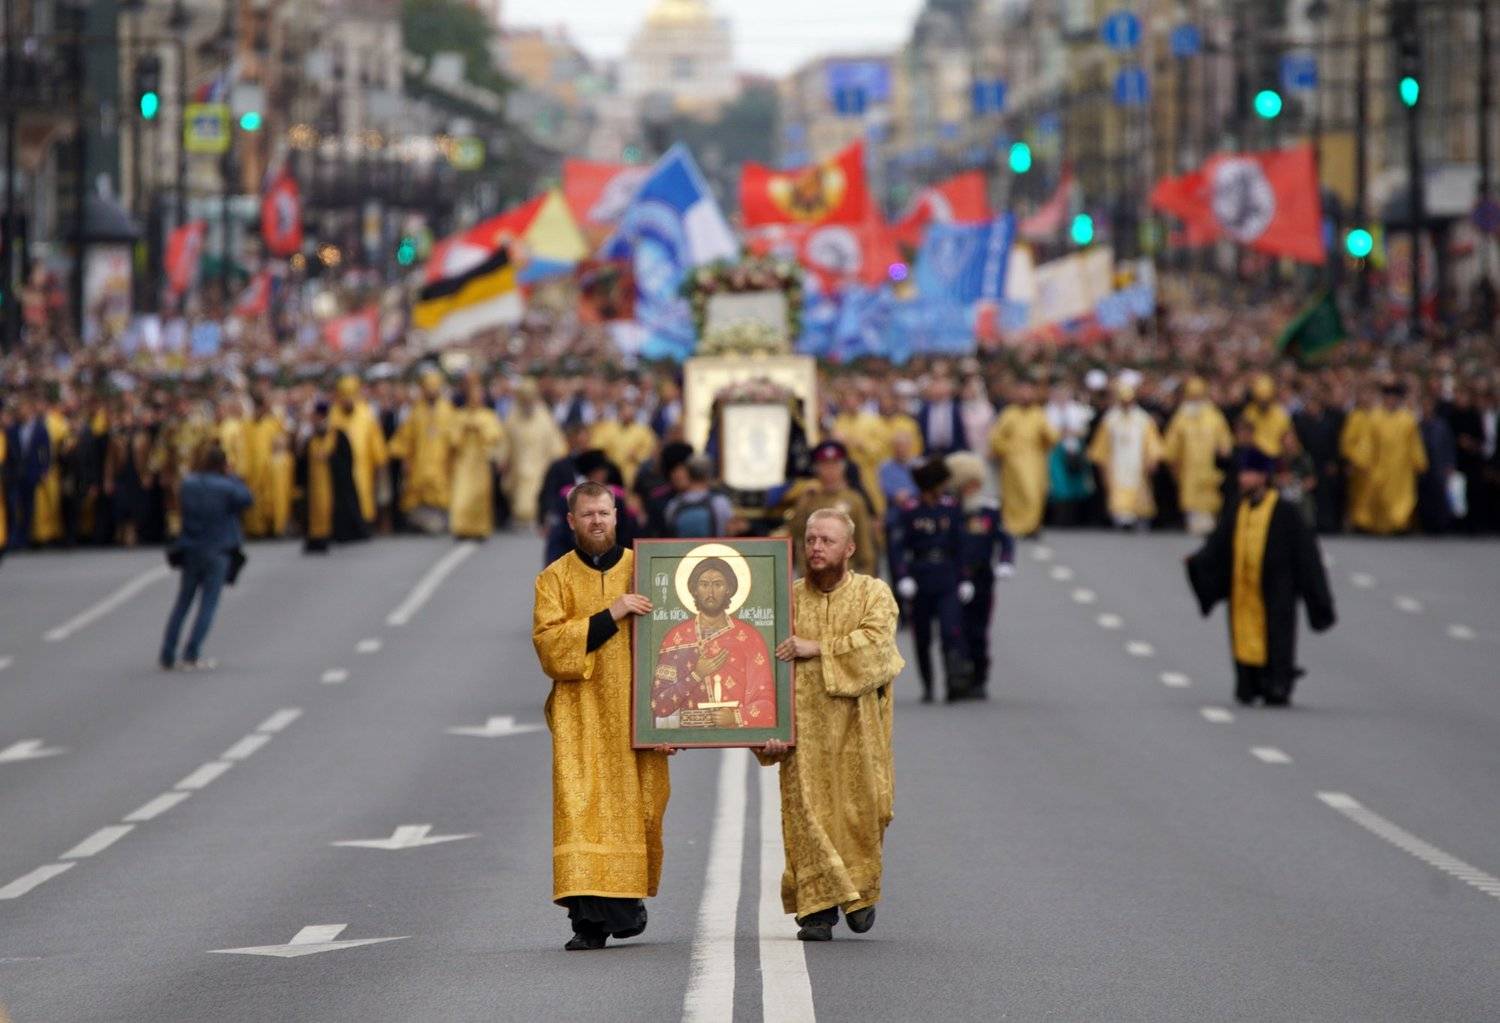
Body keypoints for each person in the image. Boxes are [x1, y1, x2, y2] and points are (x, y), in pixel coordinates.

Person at [532, 481, 672, 951]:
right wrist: (611, 614)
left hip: (638, 715)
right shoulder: (553, 578)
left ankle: (627, 906)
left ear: (617, 516)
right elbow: (550, 649)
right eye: (587, 514)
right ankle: (587, 923)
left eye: (604, 513)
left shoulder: (645, 570)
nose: (597, 521)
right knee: (581, 812)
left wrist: (675, 717)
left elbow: (677, 641)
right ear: (572, 521)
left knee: (641, 810)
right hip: (582, 717)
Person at [758, 507, 905, 942]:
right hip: (803, 739)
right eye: (811, 540)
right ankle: (816, 911)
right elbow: (759, 669)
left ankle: (859, 894)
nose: (817, 548)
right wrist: (763, 734)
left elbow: (878, 652)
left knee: (863, 814)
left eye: (827, 540)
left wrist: (816, 647)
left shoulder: (873, 594)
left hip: (860, 736)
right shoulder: (785, 599)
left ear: (850, 548)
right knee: (806, 816)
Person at [1187, 447, 1336, 707]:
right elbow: (1219, 545)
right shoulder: (1238, 507)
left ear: (1263, 477)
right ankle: (1249, 683)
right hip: (1243, 590)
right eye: (1242, 473)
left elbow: (1306, 555)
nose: (1243, 479)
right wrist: (1198, 561)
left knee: (1277, 637)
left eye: (1249, 474)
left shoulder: (1285, 511)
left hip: (1277, 589)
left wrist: (1317, 597)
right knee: (1243, 637)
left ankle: (1278, 683)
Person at [649, 555, 776, 728]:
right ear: (694, 589)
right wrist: (696, 675)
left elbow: (768, 705)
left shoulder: (749, 638)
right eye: (704, 584)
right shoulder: (676, 638)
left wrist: (735, 717)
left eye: (718, 584)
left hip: (737, 737)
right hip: (688, 737)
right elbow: (659, 705)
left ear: (729, 589)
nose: (710, 593)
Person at [889, 457, 974, 702]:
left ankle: (953, 682)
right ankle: (928, 685)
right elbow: (897, 547)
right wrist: (903, 577)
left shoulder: (951, 507)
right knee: (923, 636)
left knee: (950, 631)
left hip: (947, 575)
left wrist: (965, 578)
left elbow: (961, 545)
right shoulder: (909, 510)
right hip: (920, 576)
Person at [160, 444, 252, 670]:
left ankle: (167, 653)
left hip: (191, 548)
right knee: (207, 605)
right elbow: (247, 499)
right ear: (223, 465)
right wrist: (232, 477)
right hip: (217, 549)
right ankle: (191, 653)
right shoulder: (226, 487)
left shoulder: (188, 484)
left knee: (183, 603)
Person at [946, 451, 1012, 694]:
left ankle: (980, 677)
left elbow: (1005, 539)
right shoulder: (950, 511)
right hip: (954, 578)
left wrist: (1005, 561)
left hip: (982, 577)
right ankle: (959, 676)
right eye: (967, 484)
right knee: (955, 629)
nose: (973, 488)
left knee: (978, 630)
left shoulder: (989, 510)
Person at [785, 441, 877, 578]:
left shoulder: (854, 500)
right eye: (824, 465)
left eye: (834, 465)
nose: (829, 470)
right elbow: (795, 533)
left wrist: (865, 580)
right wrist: (803, 501)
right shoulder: (810, 498)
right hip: (812, 577)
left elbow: (865, 547)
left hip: (845, 578)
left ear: (843, 468)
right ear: (817, 468)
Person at [1346, 382, 1428, 535]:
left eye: (1394, 398)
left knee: (1402, 498)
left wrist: (1419, 462)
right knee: (1378, 495)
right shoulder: (1374, 418)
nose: (1391, 400)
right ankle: (1379, 526)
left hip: (1401, 468)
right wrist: (1361, 460)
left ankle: (1400, 525)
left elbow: (1414, 443)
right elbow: (1367, 443)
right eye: (1388, 397)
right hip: (1379, 465)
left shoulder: (1407, 419)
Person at [986, 381, 1059, 538]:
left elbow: (1052, 437)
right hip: (1013, 463)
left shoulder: (1038, 414)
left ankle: (1031, 525)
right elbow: (996, 438)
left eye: (1028, 392)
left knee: (1034, 494)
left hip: (1035, 461)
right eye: (1022, 392)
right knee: (1014, 496)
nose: (1025, 396)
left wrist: (1045, 436)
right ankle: (1014, 525)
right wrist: (1008, 450)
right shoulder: (1009, 414)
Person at [1163, 377, 1234, 536]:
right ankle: (1193, 519)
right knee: (1190, 497)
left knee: (1210, 497)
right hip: (1188, 468)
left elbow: (1224, 439)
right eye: (1192, 397)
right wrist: (1172, 461)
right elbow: (1172, 443)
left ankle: (1209, 521)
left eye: (1198, 397)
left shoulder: (1214, 416)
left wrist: (1224, 450)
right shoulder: (1181, 417)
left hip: (1209, 467)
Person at [1088, 381, 1163, 530]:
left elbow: (1152, 442)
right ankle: (1122, 518)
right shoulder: (1110, 419)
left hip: (1137, 463)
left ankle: (1140, 516)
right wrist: (1102, 463)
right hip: (1117, 463)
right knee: (1118, 490)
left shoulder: (1143, 419)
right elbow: (1101, 445)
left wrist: (1152, 459)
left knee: (1140, 489)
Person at [389, 367, 456, 534]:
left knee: (443, 497)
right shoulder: (416, 412)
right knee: (418, 499)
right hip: (419, 465)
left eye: (434, 387)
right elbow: (405, 438)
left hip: (442, 465)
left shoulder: (448, 411)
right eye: (428, 388)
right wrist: (405, 458)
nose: (431, 391)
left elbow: (455, 438)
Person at [296, 399, 363, 551]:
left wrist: (330, 459)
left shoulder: (337, 435)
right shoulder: (310, 437)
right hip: (314, 484)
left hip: (332, 482)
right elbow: (302, 461)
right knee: (314, 510)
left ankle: (331, 534)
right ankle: (316, 536)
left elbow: (346, 459)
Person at [329, 374, 388, 533]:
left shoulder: (367, 414)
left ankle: (364, 524)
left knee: (363, 495)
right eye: (344, 395)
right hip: (340, 469)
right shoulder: (333, 415)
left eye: (351, 394)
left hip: (363, 467)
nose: (347, 399)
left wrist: (380, 463)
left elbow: (376, 442)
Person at [449, 378, 506, 541]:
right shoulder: (460, 415)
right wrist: (465, 429)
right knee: (462, 494)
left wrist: (480, 429)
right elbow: (452, 439)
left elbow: (495, 436)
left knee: (480, 496)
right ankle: (461, 527)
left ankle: (480, 528)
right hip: (464, 461)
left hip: (481, 462)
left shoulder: (488, 415)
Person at [504, 379, 566, 528]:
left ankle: (537, 517)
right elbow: (505, 442)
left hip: (540, 465)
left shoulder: (545, 418)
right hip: (519, 466)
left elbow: (555, 442)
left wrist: (557, 460)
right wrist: (504, 459)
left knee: (537, 492)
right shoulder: (512, 418)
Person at [6, 396, 51, 550]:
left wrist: (44, 469)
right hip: (15, 474)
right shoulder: (13, 429)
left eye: (23, 409)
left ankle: (24, 538)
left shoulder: (40, 429)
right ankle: (13, 538)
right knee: (13, 506)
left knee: (28, 507)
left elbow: (46, 451)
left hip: (31, 473)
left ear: (29, 409)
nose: (20, 412)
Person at [663, 456, 737, 538]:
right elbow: (730, 531)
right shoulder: (720, 503)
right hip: (714, 546)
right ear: (708, 474)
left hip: (682, 546)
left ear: (688, 473)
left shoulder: (674, 505)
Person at [1239, 373, 1293, 458]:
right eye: (1260, 400)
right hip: (1253, 455)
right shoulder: (1249, 412)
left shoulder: (1281, 413)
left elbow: (1287, 439)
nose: (1263, 403)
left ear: (1272, 397)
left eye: (1266, 400)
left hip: (1275, 457)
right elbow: (1242, 438)